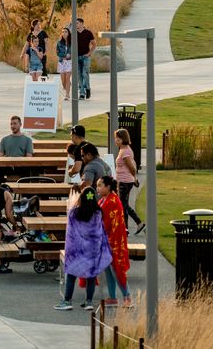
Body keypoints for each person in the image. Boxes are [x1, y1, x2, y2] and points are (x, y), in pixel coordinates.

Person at [54, 188, 112, 311]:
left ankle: (67, 301)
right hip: (92, 249)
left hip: (77, 250)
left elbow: (70, 233)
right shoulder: (98, 213)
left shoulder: (74, 213)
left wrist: (69, 251)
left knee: (71, 274)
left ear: (81, 197)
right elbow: (99, 231)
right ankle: (89, 301)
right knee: (91, 275)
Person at [97, 176, 133, 307]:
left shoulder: (111, 202)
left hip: (114, 242)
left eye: (100, 185)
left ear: (108, 187)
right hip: (107, 241)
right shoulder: (104, 200)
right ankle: (112, 297)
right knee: (108, 270)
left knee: (116, 270)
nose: (98, 188)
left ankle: (127, 296)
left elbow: (106, 224)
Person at [114, 128, 145, 235]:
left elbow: (132, 168)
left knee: (122, 205)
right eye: (116, 138)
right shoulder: (124, 150)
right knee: (124, 204)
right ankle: (136, 224)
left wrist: (134, 178)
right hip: (123, 180)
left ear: (123, 139)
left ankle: (127, 228)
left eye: (118, 138)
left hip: (125, 181)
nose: (116, 140)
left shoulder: (126, 151)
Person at [75, 18, 96, 100]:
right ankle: (82, 93)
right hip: (76, 57)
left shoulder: (88, 33)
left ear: (82, 23)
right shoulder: (74, 34)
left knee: (85, 73)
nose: (75, 24)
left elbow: (94, 44)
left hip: (85, 57)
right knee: (79, 75)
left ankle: (88, 88)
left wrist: (89, 53)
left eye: (77, 23)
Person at [57, 27, 73, 101]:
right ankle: (67, 86)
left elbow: (75, 51)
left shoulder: (72, 42)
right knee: (63, 81)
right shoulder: (59, 42)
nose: (64, 33)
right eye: (63, 32)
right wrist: (64, 55)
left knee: (67, 78)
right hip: (61, 62)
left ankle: (67, 94)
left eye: (65, 31)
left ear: (69, 33)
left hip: (69, 62)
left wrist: (70, 55)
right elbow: (57, 52)